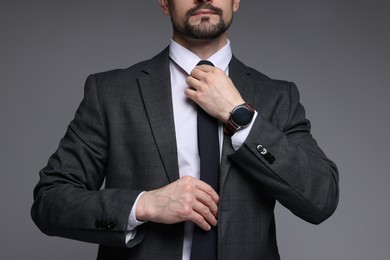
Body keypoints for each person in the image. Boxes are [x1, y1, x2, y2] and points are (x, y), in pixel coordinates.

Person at [31, 0, 339, 259]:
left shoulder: (277, 97)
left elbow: (320, 198)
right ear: (165, 2)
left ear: (236, 0)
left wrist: (240, 116)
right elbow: (50, 201)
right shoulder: (111, 93)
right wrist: (144, 204)